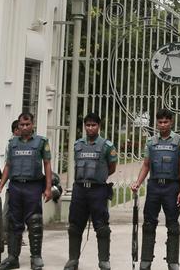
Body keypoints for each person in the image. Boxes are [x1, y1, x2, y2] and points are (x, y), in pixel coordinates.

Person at [130, 109, 180, 270]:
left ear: (171, 122)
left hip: (172, 187)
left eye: (166, 122)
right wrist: (137, 182)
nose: (163, 125)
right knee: (148, 223)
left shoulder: (179, 141)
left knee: (173, 225)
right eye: (160, 122)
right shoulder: (151, 142)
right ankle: (146, 260)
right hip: (154, 187)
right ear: (157, 123)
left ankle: (173, 261)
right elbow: (146, 165)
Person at [0, 113, 52, 270]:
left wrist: (48, 188)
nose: (24, 127)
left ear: (32, 125)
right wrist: (0, 186)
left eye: (27, 124)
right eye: (21, 124)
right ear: (18, 126)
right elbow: (8, 166)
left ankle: (36, 258)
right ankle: (13, 257)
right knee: (14, 223)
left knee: (34, 222)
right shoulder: (12, 143)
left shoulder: (41, 142)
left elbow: (47, 164)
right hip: (15, 186)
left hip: (33, 187)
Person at [64, 113, 117, 270]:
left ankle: (104, 261)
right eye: (88, 125)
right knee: (74, 226)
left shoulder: (107, 146)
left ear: (99, 126)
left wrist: (99, 177)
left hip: (98, 191)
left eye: (93, 125)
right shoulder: (78, 145)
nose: (90, 128)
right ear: (84, 126)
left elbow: (112, 167)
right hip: (80, 190)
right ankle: (73, 260)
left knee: (101, 227)